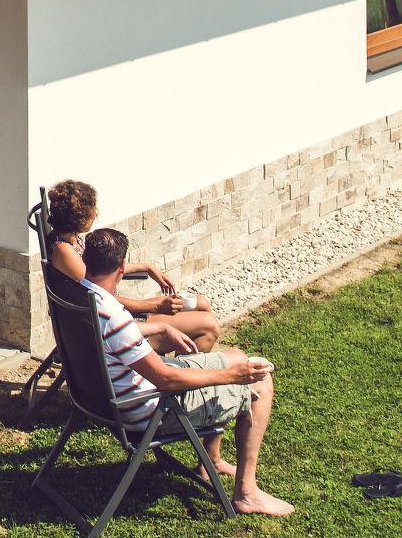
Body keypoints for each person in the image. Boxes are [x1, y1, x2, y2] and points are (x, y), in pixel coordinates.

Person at [83, 227, 293, 518]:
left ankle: (211, 462)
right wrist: (233, 378)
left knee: (237, 356)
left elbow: (119, 337)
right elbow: (166, 379)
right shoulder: (114, 317)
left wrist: (159, 325)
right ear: (121, 268)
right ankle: (247, 492)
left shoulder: (81, 297)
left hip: (107, 399)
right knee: (260, 381)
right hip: (149, 411)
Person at [45, 178, 218, 352]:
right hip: (115, 326)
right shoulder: (63, 251)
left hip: (117, 313)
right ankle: (180, 373)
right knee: (208, 327)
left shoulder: (71, 239)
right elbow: (102, 299)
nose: (96, 213)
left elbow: (102, 270)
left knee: (201, 303)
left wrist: (146, 267)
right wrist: (157, 307)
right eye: (92, 209)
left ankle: (179, 364)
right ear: (79, 215)